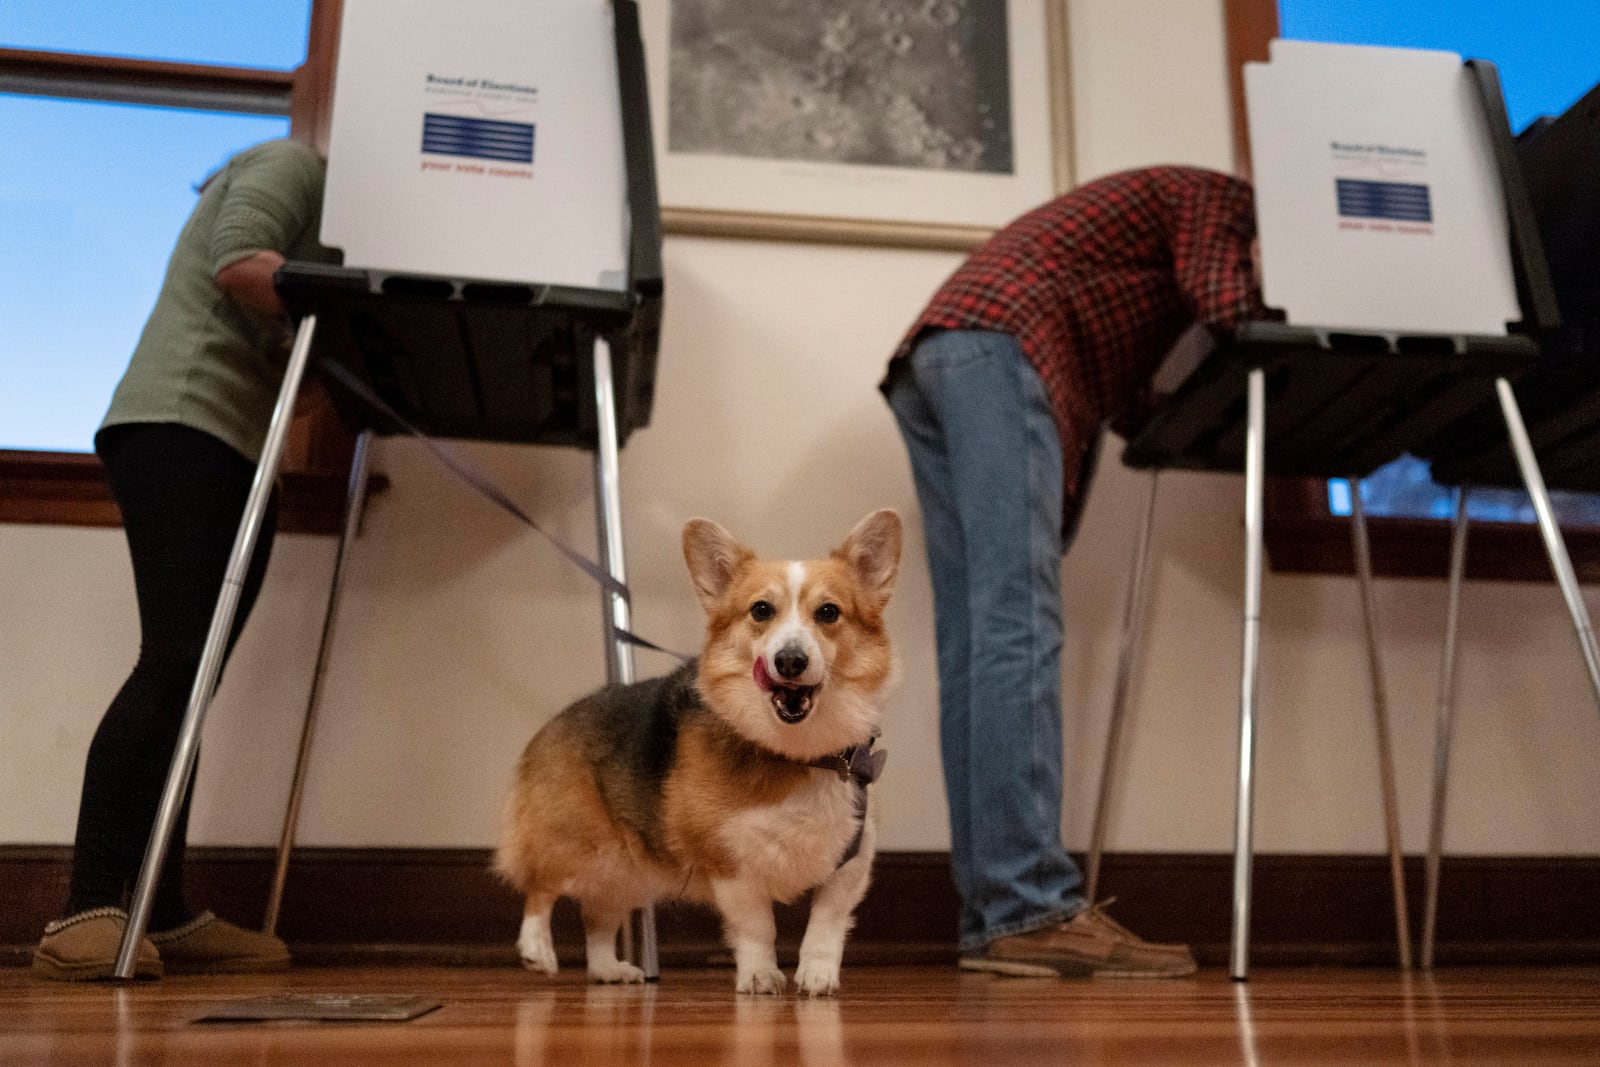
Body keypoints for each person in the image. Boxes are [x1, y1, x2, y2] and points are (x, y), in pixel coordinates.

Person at [881, 165, 1268, 978]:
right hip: (995, 346)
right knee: (1015, 628)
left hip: (943, 358)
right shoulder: (1222, 202)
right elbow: (1230, 306)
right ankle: (1031, 906)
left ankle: (995, 916)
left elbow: (1135, 403)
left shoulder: (1151, 252)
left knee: (979, 645)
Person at [32, 138, 340, 981]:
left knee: (190, 682)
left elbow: (295, 375)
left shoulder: (333, 222)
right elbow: (241, 261)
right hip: (183, 425)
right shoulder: (296, 164)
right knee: (171, 663)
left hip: (236, 444)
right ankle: (85, 909)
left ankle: (159, 912)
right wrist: (342, 303)